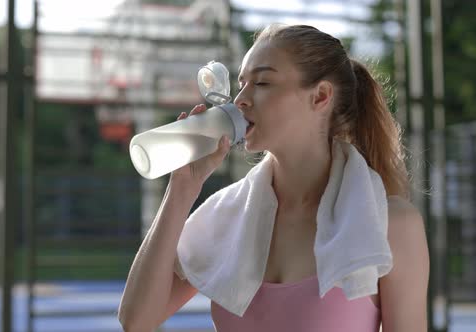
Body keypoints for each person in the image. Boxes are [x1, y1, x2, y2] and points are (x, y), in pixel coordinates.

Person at [118, 24, 429, 332]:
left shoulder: (390, 225)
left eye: (263, 82)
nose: (240, 99)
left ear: (320, 96)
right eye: (241, 83)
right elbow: (136, 320)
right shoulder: (226, 217)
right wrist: (182, 188)